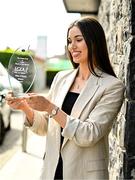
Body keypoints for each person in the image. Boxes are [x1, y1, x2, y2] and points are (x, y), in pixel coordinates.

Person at [6, 16, 125, 180]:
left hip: (84, 175)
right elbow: (45, 128)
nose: (72, 46)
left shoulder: (112, 86)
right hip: (52, 171)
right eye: (69, 41)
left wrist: (50, 108)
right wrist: (25, 108)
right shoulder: (61, 78)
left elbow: (89, 134)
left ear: (94, 42)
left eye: (78, 39)